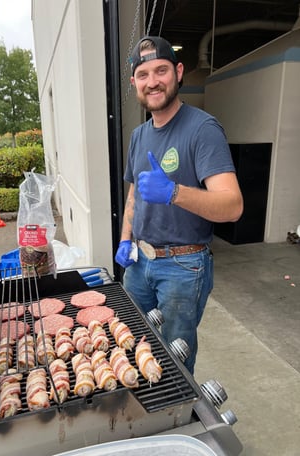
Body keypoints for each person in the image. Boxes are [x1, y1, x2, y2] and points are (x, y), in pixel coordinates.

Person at [115, 36, 243, 375]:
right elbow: (134, 194)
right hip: (139, 262)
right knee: (130, 343)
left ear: (179, 71)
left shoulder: (203, 129)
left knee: (173, 360)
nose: (153, 81)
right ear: (134, 82)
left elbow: (232, 206)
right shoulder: (139, 135)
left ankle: (171, 419)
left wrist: (174, 193)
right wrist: (125, 239)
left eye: (161, 70)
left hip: (183, 267)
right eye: (143, 74)